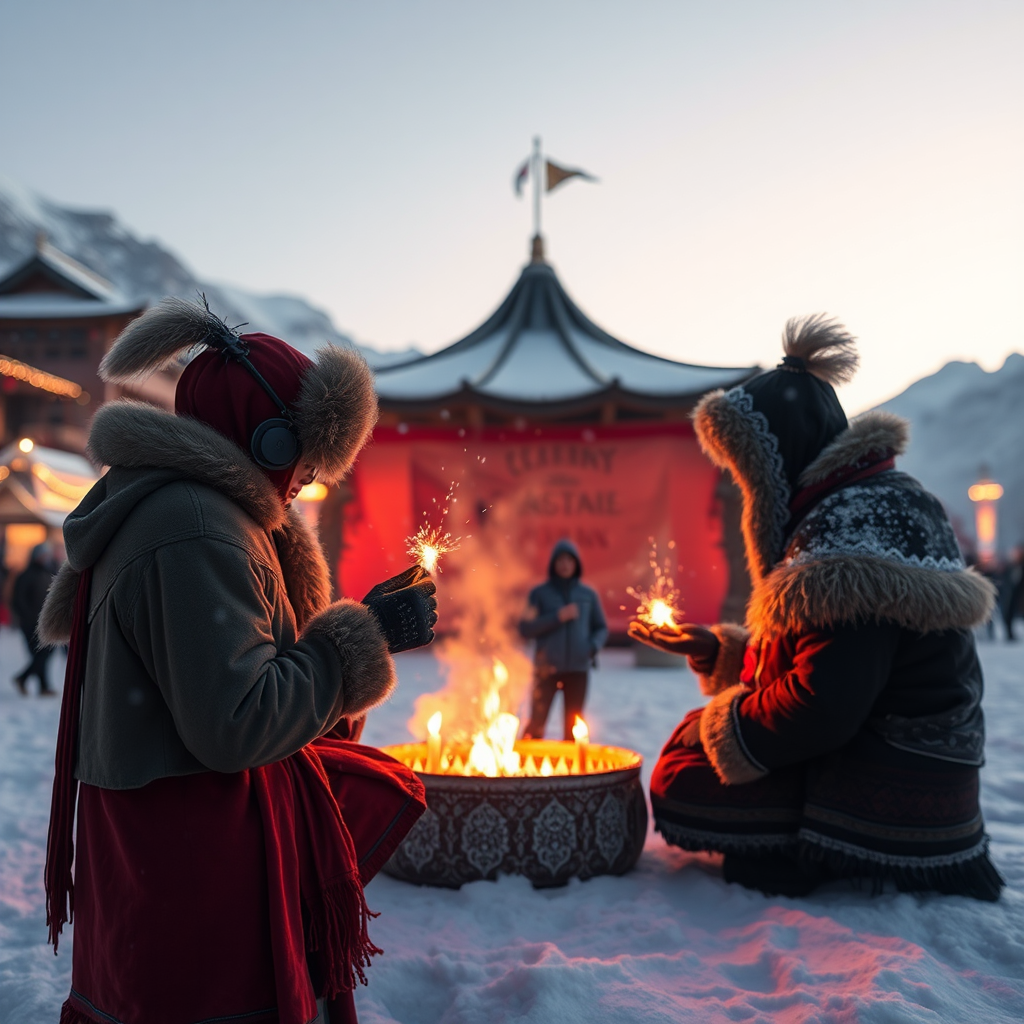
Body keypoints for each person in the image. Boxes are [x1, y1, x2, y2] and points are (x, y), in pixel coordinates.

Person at [39, 298, 437, 1024]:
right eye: (304, 455)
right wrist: (360, 642)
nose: (307, 479)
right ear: (271, 441)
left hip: (166, 854)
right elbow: (237, 720)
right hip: (198, 863)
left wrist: (351, 639)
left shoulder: (191, 513)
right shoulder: (197, 528)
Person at [631, 315, 1003, 901]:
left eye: (746, 466)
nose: (742, 484)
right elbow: (830, 658)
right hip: (914, 754)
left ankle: (819, 858)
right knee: (690, 741)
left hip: (899, 772)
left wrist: (719, 726)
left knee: (682, 775)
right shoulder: (866, 501)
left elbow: (825, 703)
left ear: (779, 457)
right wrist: (719, 650)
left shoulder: (847, 532)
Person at [519, 538, 608, 740]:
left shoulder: (588, 595)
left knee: (573, 727)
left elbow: (601, 628)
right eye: (561, 560)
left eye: (570, 560)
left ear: (576, 564)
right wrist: (557, 617)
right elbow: (525, 628)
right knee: (536, 724)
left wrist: (592, 647)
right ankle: (525, 765)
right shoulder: (539, 594)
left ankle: (570, 769)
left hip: (578, 670)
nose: (565, 565)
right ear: (553, 564)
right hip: (546, 670)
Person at [11, 541, 57, 695]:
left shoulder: (48, 573)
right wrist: (28, 617)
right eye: (43, 555)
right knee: (41, 655)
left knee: (44, 654)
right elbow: (18, 600)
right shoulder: (26, 575)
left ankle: (40, 686)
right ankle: (27, 680)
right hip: (30, 624)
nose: (45, 558)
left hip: (45, 623)